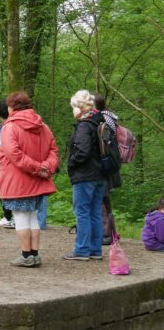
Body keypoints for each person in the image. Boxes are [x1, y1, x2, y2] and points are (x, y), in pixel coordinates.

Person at [0, 92, 59, 268]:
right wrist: (45, 167)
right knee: (32, 216)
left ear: (11, 108)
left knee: (21, 217)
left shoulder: (9, 127)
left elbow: (14, 154)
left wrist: (38, 168)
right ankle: (34, 254)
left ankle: (26, 255)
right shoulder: (43, 126)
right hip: (38, 181)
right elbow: (53, 150)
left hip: (17, 181)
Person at [63, 89, 105, 261]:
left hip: (85, 175)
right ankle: (95, 250)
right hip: (100, 175)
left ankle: (81, 250)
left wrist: (71, 163)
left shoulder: (84, 125)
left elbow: (82, 151)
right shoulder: (99, 121)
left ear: (79, 108)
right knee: (95, 212)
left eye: (73, 107)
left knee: (82, 212)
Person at [93, 94, 119, 245]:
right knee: (105, 200)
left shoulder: (101, 120)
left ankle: (106, 234)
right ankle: (110, 231)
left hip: (103, 165)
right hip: (110, 165)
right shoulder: (110, 117)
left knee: (101, 199)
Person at [0, 100, 15, 229]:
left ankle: (10, 217)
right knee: (2, 190)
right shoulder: (3, 126)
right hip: (0, 161)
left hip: (5, 163)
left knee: (8, 190)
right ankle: (7, 216)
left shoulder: (9, 126)